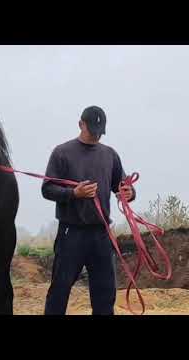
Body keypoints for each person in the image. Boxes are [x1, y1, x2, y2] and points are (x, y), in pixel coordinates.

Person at [41, 105, 135, 315]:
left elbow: (121, 185)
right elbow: (47, 189)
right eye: (91, 130)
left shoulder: (110, 155)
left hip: (101, 235)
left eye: (99, 132)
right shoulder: (62, 153)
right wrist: (74, 193)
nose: (95, 136)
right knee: (59, 291)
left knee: (105, 294)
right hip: (71, 233)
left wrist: (129, 193)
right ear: (80, 124)